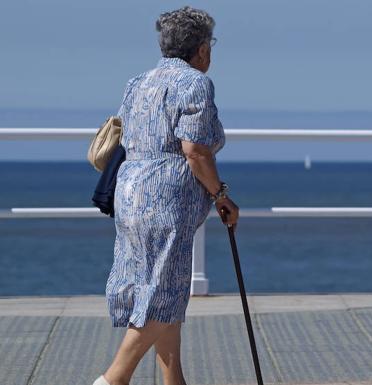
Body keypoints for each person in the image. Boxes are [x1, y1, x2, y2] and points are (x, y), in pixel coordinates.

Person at [93, 6, 239, 385]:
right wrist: (220, 194)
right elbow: (195, 151)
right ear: (202, 49)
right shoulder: (195, 83)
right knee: (166, 292)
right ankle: (114, 379)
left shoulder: (137, 82)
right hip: (166, 198)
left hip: (130, 192)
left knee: (156, 287)